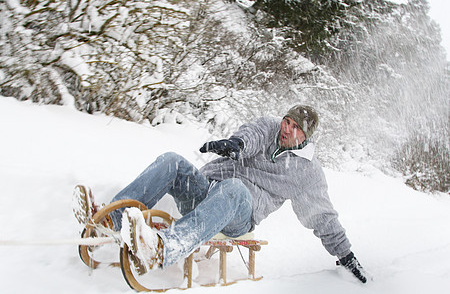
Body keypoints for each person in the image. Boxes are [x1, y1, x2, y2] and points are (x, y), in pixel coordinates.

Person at [73, 105, 368, 283]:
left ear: (306, 137)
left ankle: (166, 248)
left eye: (295, 128)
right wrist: (236, 144)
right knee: (173, 160)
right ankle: (111, 219)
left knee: (236, 189)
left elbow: (323, 216)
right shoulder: (270, 128)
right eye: (287, 122)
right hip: (206, 191)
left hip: (239, 213)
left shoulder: (307, 173)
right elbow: (251, 134)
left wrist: (345, 254)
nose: (286, 129)